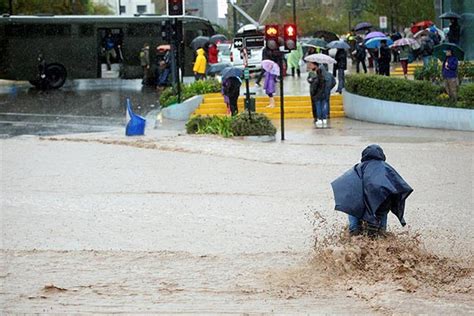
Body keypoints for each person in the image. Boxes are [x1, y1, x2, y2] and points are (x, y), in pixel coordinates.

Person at [331, 144, 413, 236]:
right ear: (382, 155)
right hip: (382, 203)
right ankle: (381, 242)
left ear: (364, 155)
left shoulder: (359, 167)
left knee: (354, 228)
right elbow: (400, 186)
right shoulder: (387, 168)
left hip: (360, 203)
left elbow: (346, 183)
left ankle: (352, 236)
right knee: (380, 233)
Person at [307, 62, 327, 128]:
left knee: (319, 106)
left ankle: (319, 118)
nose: (310, 66)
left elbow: (315, 85)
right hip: (320, 93)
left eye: (311, 65)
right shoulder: (311, 73)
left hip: (317, 93)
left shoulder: (318, 75)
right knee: (321, 106)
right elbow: (308, 79)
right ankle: (322, 118)